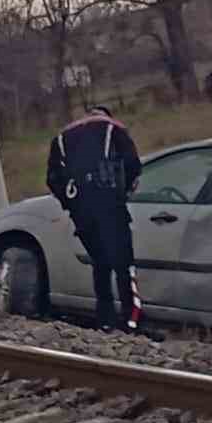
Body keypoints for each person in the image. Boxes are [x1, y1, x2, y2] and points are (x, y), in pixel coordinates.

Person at [46, 106, 143, 331]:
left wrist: (69, 203)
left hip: (81, 210)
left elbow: (52, 179)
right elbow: (133, 165)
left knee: (100, 264)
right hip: (110, 203)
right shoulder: (114, 128)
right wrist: (123, 192)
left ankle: (105, 320)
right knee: (124, 264)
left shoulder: (61, 138)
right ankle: (131, 319)